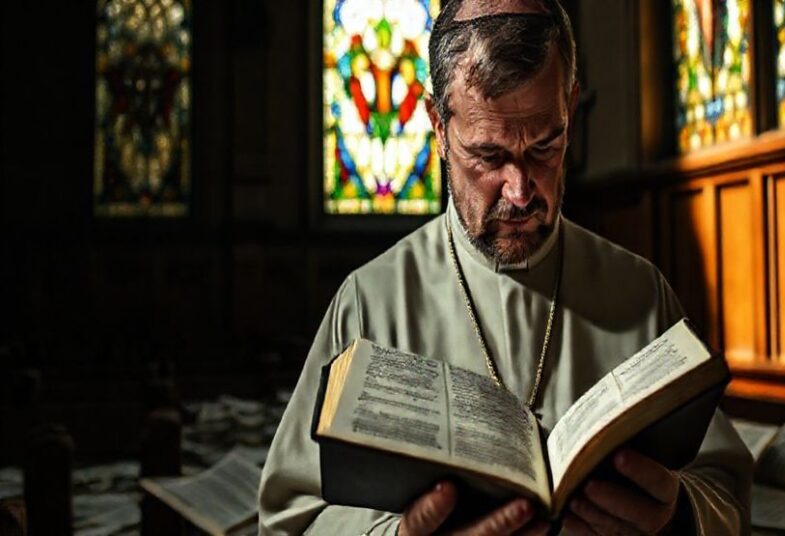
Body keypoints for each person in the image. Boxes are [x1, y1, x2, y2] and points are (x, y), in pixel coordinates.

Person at [258, 0, 752, 534]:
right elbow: (291, 518)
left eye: (546, 146)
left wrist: (678, 516)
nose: (520, 192)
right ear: (438, 127)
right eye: (489, 156)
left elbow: (724, 491)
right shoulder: (369, 302)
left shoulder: (639, 291)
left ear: (570, 105)